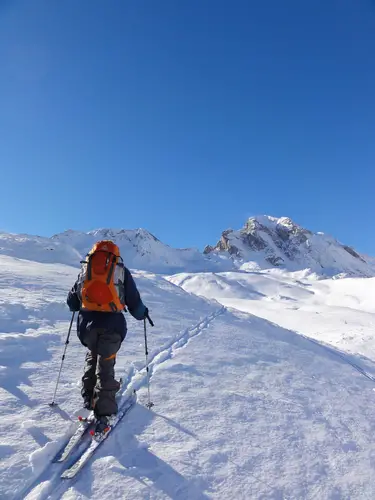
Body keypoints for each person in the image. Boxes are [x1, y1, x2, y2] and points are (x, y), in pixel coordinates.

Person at [67, 240, 148, 434]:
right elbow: (134, 304)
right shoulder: (120, 271)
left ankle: (88, 397)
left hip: (87, 326)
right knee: (106, 364)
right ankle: (103, 412)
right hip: (112, 326)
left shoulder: (87, 270)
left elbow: (72, 301)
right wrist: (143, 313)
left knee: (92, 355)